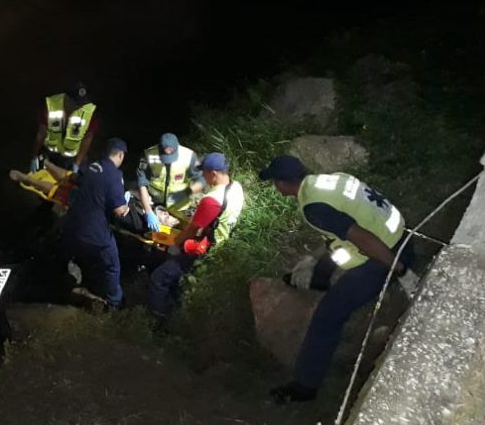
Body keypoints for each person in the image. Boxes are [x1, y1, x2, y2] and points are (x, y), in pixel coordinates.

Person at [258, 155, 419, 404]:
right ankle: (319, 279)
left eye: (275, 182)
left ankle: (304, 386)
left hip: (385, 255)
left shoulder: (314, 207)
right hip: (401, 235)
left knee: (327, 316)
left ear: (282, 184)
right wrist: (316, 261)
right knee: (334, 251)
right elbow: (341, 232)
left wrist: (401, 271)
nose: (275, 187)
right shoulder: (329, 181)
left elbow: (362, 239)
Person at [147, 152, 244, 318]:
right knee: (177, 278)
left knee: (159, 278)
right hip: (223, 243)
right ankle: (175, 306)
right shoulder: (236, 187)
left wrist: (175, 245)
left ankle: (158, 320)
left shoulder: (212, 199)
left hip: (205, 249)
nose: (203, 177)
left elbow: (192, 229)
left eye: (204, 173)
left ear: (213, 173)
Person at [61, 138, 130, 307]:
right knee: (112, 265)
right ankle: (115, 303)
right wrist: (127, 203)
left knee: (84, 257)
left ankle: (83, 286)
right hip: (94, 231)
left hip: (73, 225)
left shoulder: (93, 166)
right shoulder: (114, 174)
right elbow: (119, 210)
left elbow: (78, 181)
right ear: (120, 155)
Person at [136, 133, 204, 232]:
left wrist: (193, 195)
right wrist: (149, 212)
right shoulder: (148, 155)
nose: (167, 162)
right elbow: (142, 183)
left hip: (181, 207)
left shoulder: (189, 156)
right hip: (156, 205)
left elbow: (200, 180)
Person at [32, 84, 97, 173]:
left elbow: (88, 138)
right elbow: (41, 133)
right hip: (50, 154)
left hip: (72, 158)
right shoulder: (51, 105)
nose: (79, 107)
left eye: (81, 104)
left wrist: (77, 164)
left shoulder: (88, 112)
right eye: (76, 103)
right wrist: (34, 157)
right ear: (66, 98)